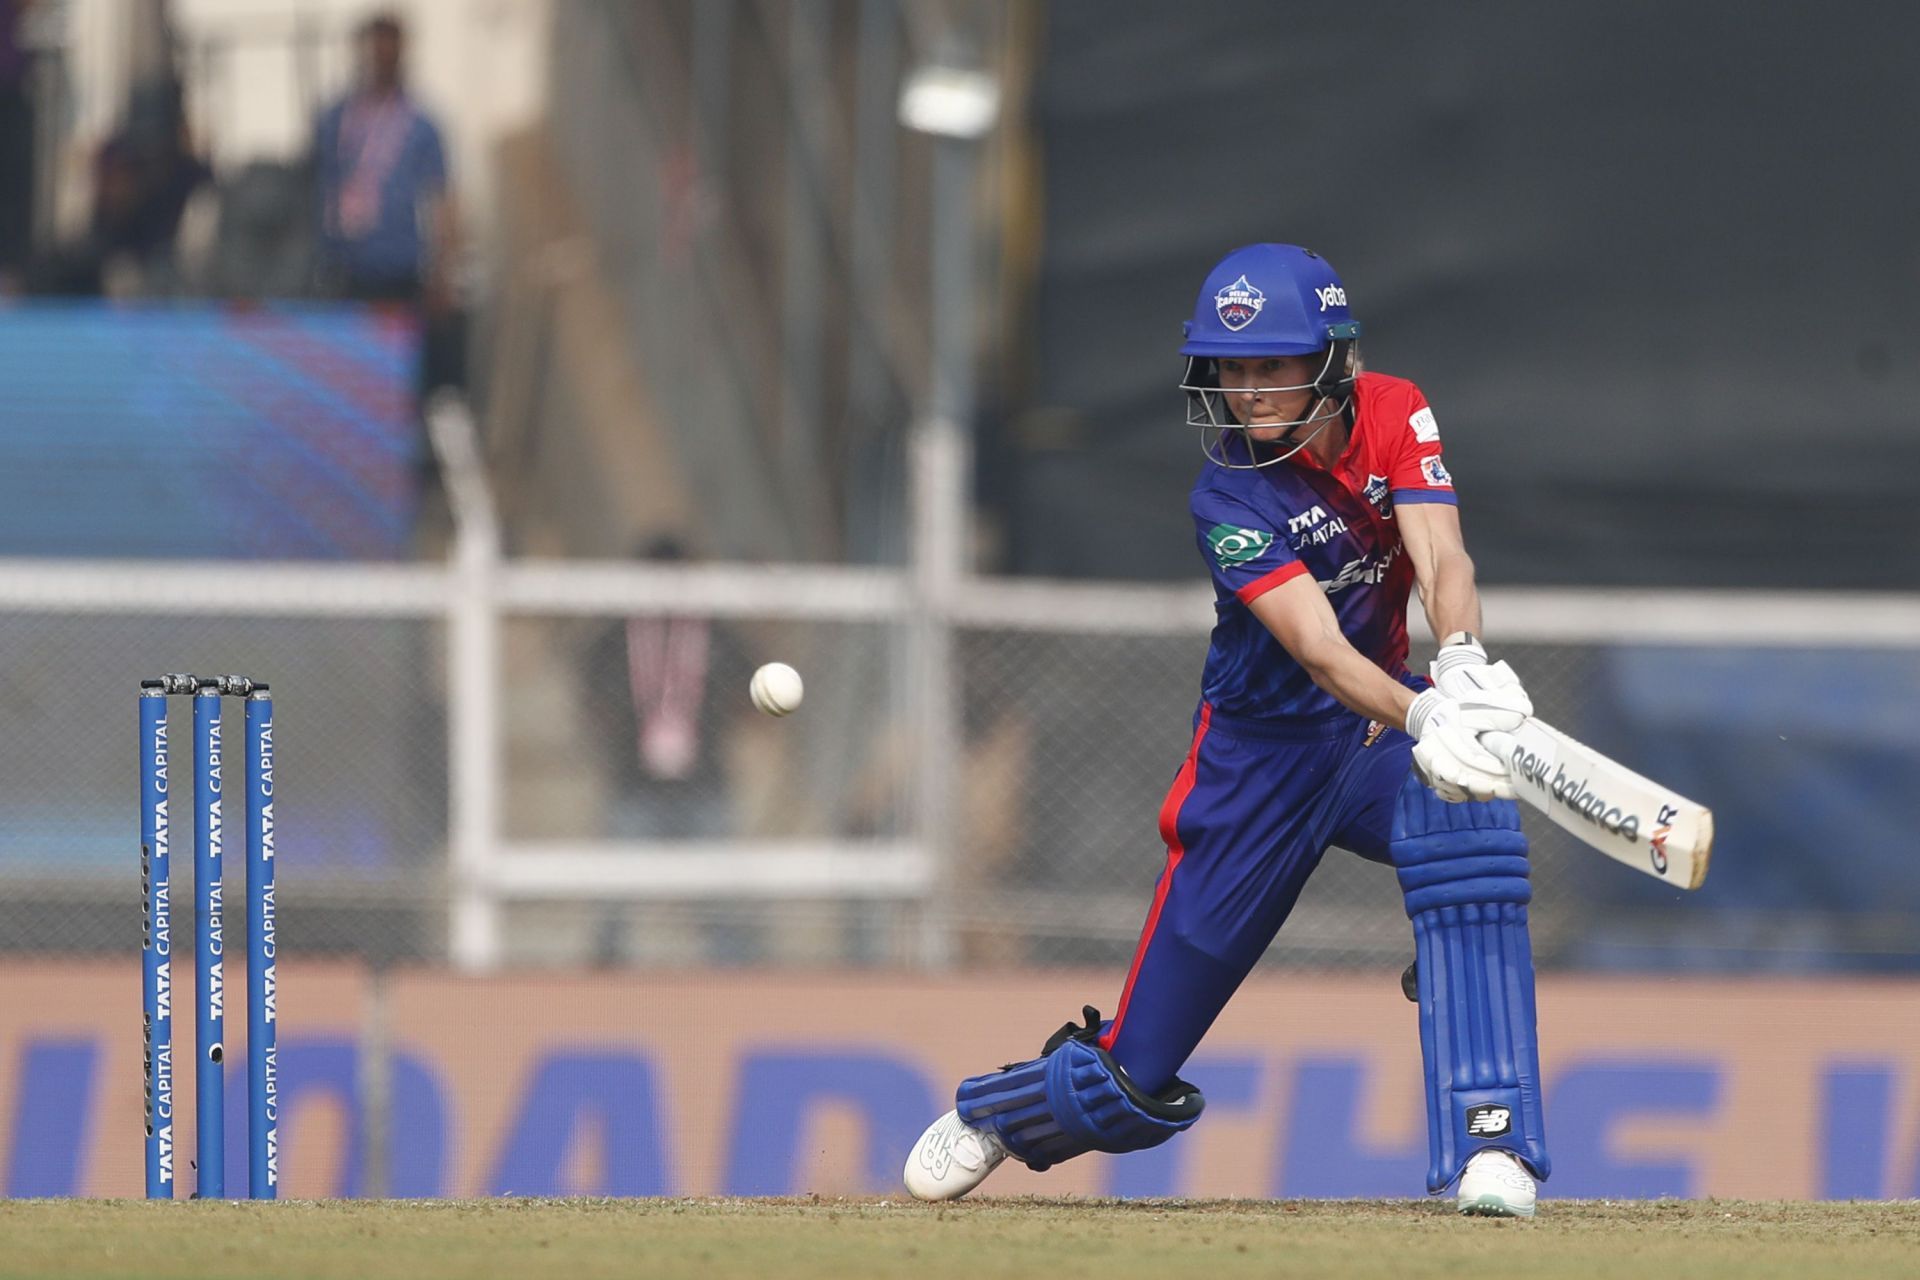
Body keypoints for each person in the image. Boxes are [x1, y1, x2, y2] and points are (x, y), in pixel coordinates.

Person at [903, 244, 1548, 1217]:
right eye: (1231, 367)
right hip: (1257, 774)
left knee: (1476, 828)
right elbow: (1320, 649)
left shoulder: (1393, 406)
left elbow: (1442, 555)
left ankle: (1487, 1148)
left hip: (1367, 744)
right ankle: (999, 1112)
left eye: (1270, 365)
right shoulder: (1229, 494)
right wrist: (1423, 708)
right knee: (1130, 1076)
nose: (1247, 390)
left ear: (1329, 359)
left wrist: (1457, 658)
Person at [312, 12, 455, 307]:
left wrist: (442, 271)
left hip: (398, 270)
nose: (379, 61)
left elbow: (440, 199)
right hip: (340, 269)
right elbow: (315, 184)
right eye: (374, 52)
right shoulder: (335, 119)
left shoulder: (419, 124)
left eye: (388, 53)